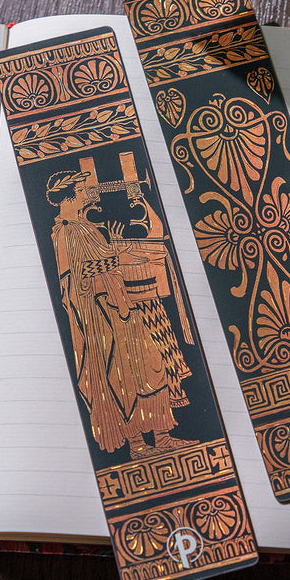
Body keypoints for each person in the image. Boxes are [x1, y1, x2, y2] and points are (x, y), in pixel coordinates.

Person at [47, 168, 195, 460]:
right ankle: (138, 444)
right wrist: (114, 256)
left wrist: (115, 251)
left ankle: (163, 436)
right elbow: (74, 277)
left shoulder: (83, 228)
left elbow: (98, 263)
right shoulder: (65, 231)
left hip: (121, 308)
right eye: (79, 190)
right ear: (68, 196)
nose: (84, 195)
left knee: (151, 368)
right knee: (123, 379)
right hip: (103, 315)